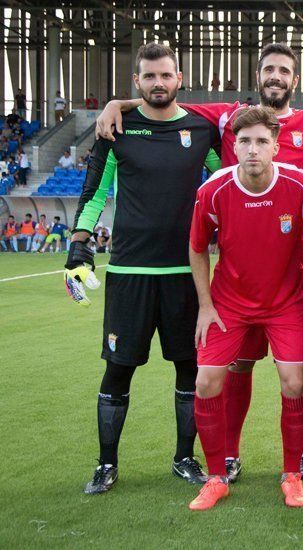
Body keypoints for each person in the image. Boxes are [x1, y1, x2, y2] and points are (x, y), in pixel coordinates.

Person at [94, 43, 303, 484]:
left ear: (295, 80)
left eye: (284, 70)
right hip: (239, 277)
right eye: (269, 70)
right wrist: (115, 103)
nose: (276, 76)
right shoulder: (228, 116)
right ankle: (232, 456)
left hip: (298, 280)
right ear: (258, 76)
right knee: (237, 366)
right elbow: (165, 97)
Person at [69, 43, 222, 495]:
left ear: (180, 79)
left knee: (189, 369)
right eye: (149, 77)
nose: (159, 83)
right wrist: (79, 243)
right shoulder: (117, 128)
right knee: (118, 370)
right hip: (129, 273)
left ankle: (184, 459)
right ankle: (107, 464)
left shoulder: (201, 129)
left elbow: (224, 184)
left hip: (185, 275)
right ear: (137, 83)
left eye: (166, 76)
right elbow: (95, 191)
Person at [187, 107, 303, 511]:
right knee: (207, 382)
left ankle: (292, 474)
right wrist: (205, 305)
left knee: (294, 383)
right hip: (229, 303)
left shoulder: (301, 185)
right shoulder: (214, 189)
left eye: (262, 141)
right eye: (245, 141)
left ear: (276, 147)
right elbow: (196, 248)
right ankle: (215, 477)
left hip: (287, 303)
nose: (253, 149)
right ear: (234, 146)